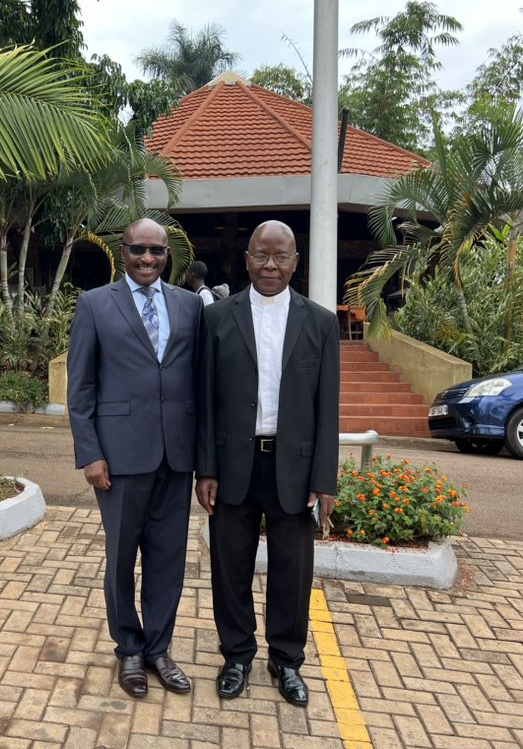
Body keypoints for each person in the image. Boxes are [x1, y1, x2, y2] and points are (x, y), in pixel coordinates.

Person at [194, 220, 340, 707]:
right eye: (261, 255)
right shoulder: (217, 319)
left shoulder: (320, 323)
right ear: (246, 259)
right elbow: (206, 400)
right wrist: (206, 469)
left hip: (293, 470)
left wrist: (324, 480)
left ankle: (286, 660)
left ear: (296, 262)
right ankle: (236, 656)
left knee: (293, 571)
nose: (270, 265)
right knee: (228, 568)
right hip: (234, 465)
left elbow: (328, 409)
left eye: (281, 257)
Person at [67, 218, 206, 699]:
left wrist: (203, 458)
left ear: (169, 255)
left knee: (168, 559)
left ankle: (158, 649)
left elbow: (198, 383)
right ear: (122, 252)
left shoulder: (190, 306)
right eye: (138, 250)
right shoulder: (94, 304)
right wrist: (90, 453)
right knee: (122, 558)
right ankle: (128, 648)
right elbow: (80, 387)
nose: (147, 259)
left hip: (176, 456)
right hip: (119, 457)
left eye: (156, 251)